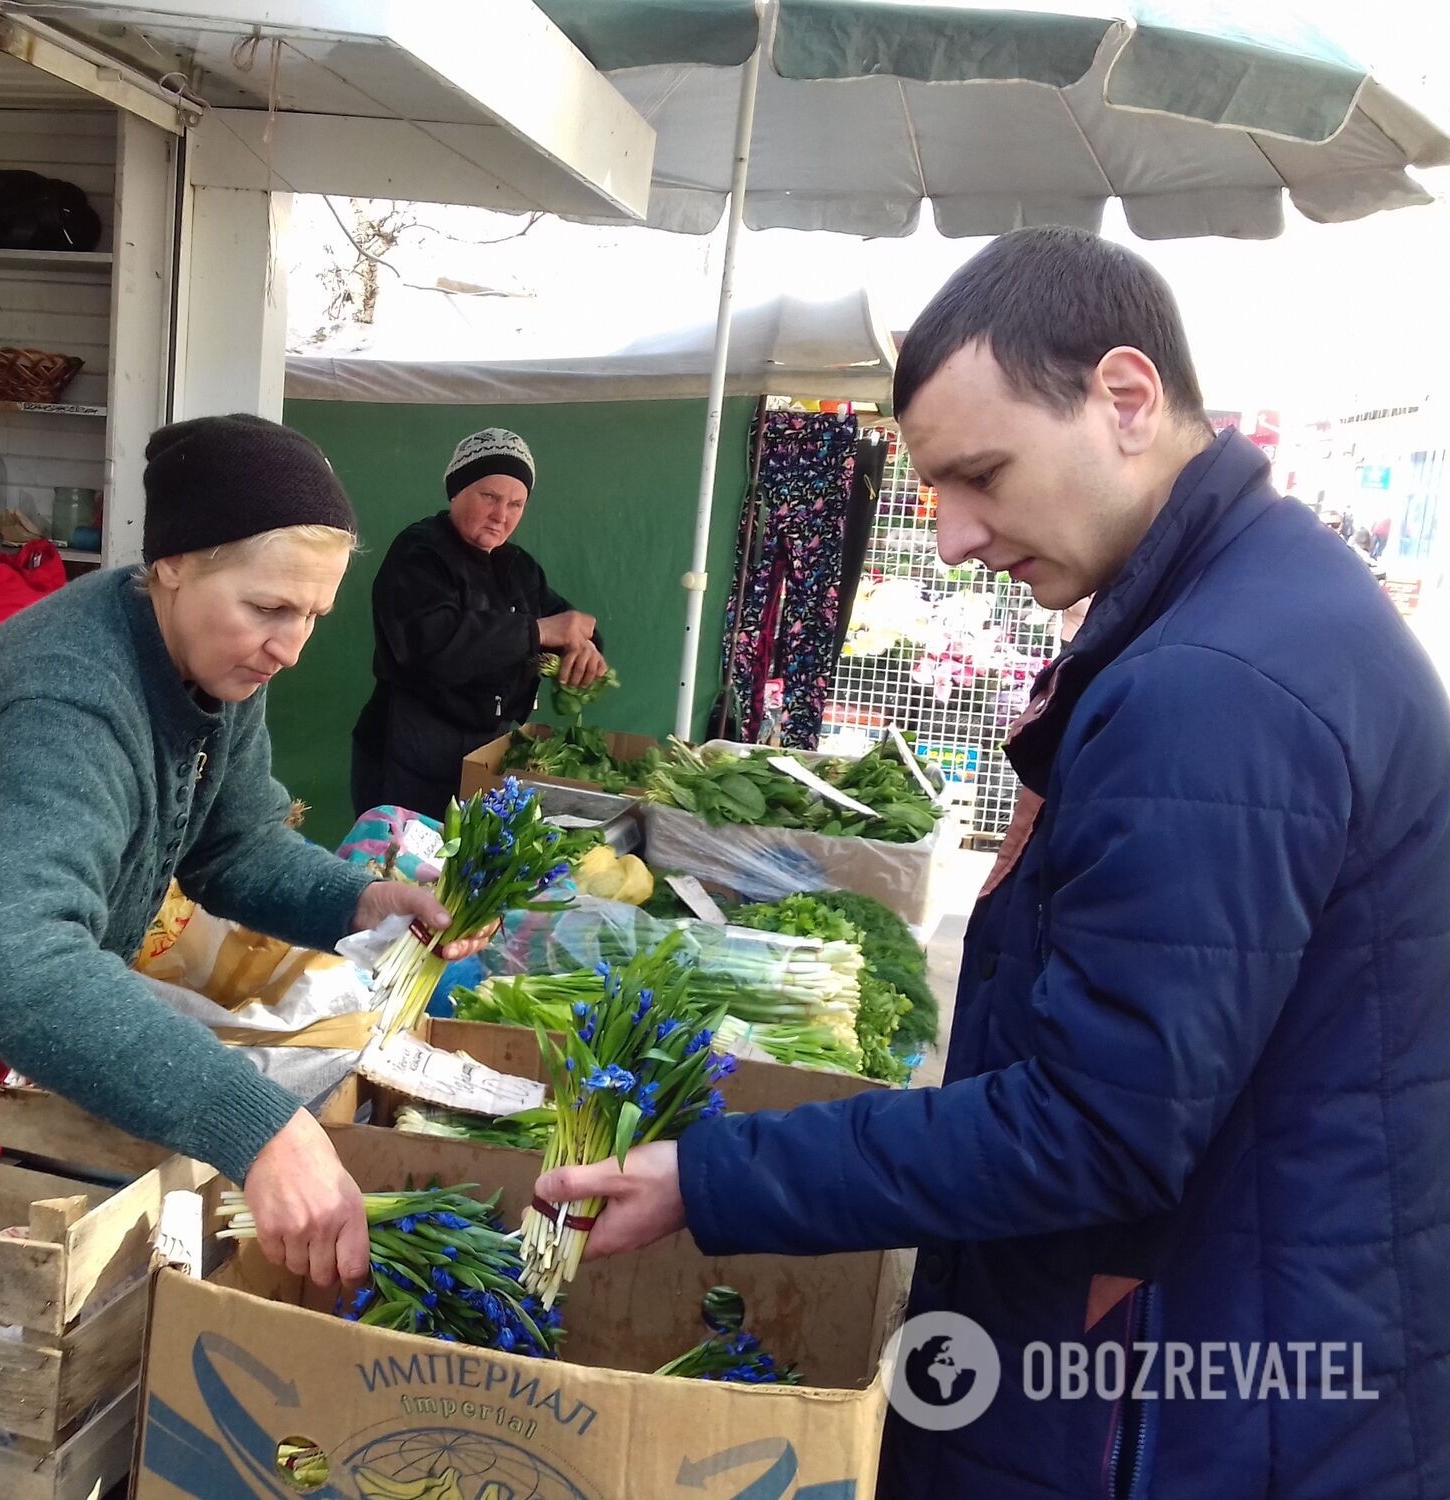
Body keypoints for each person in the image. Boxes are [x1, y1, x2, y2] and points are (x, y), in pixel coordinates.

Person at [534, 229, 1450, 1497]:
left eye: (982, 474)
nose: (955, 537)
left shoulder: (1213, 686)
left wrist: (713, 1173)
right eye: (935, 492)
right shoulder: (1258, 604)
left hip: (1177, 1396)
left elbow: (1096, 1126)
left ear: (1124, 400)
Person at [0, 414, 490, 1290]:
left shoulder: (219, 663)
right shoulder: (67, 697)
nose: (290, 648)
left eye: (313, 614)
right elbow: (27, 968)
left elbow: (233, 844)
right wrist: (262, 1129)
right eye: (269, 608)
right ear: (170, 564)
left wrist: (358, 903)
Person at [351, 428, 607, 817]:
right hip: (408, 755)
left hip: (485, 753)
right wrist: (540, 631)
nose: (500, 515)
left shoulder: (518, 567)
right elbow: (433, 644)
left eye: (516, 504)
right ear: (457, 491)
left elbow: (565, 623)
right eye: (489, 496)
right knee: (405, 868)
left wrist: (585, 648)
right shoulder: (419, 552)